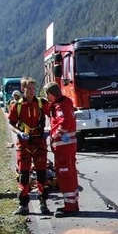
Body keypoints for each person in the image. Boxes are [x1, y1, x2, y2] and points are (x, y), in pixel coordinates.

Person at [8, 77, 51, 216]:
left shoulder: (41, 103)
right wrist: (20, 133)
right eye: (29, 89)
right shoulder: (17, 105)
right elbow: (11, 124)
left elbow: (52, 116)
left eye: (33, 88)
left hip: (39, 143)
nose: (32, 91)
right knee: (24, 176)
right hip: (24, 145)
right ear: (23, 89)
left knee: (42, 176)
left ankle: (43, 204)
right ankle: (23, 206)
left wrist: (48, 129)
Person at [43, 82, 80, 217]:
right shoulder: (67, 102)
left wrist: (54, 135)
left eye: (47, 95)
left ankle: (70, 206)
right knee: (71, 173)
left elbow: (63, 122)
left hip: (63, 147)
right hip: (70, 145)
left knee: (64, 175)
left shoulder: (59, 107)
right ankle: (73, 203)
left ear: (51, 95)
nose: (46, 98)